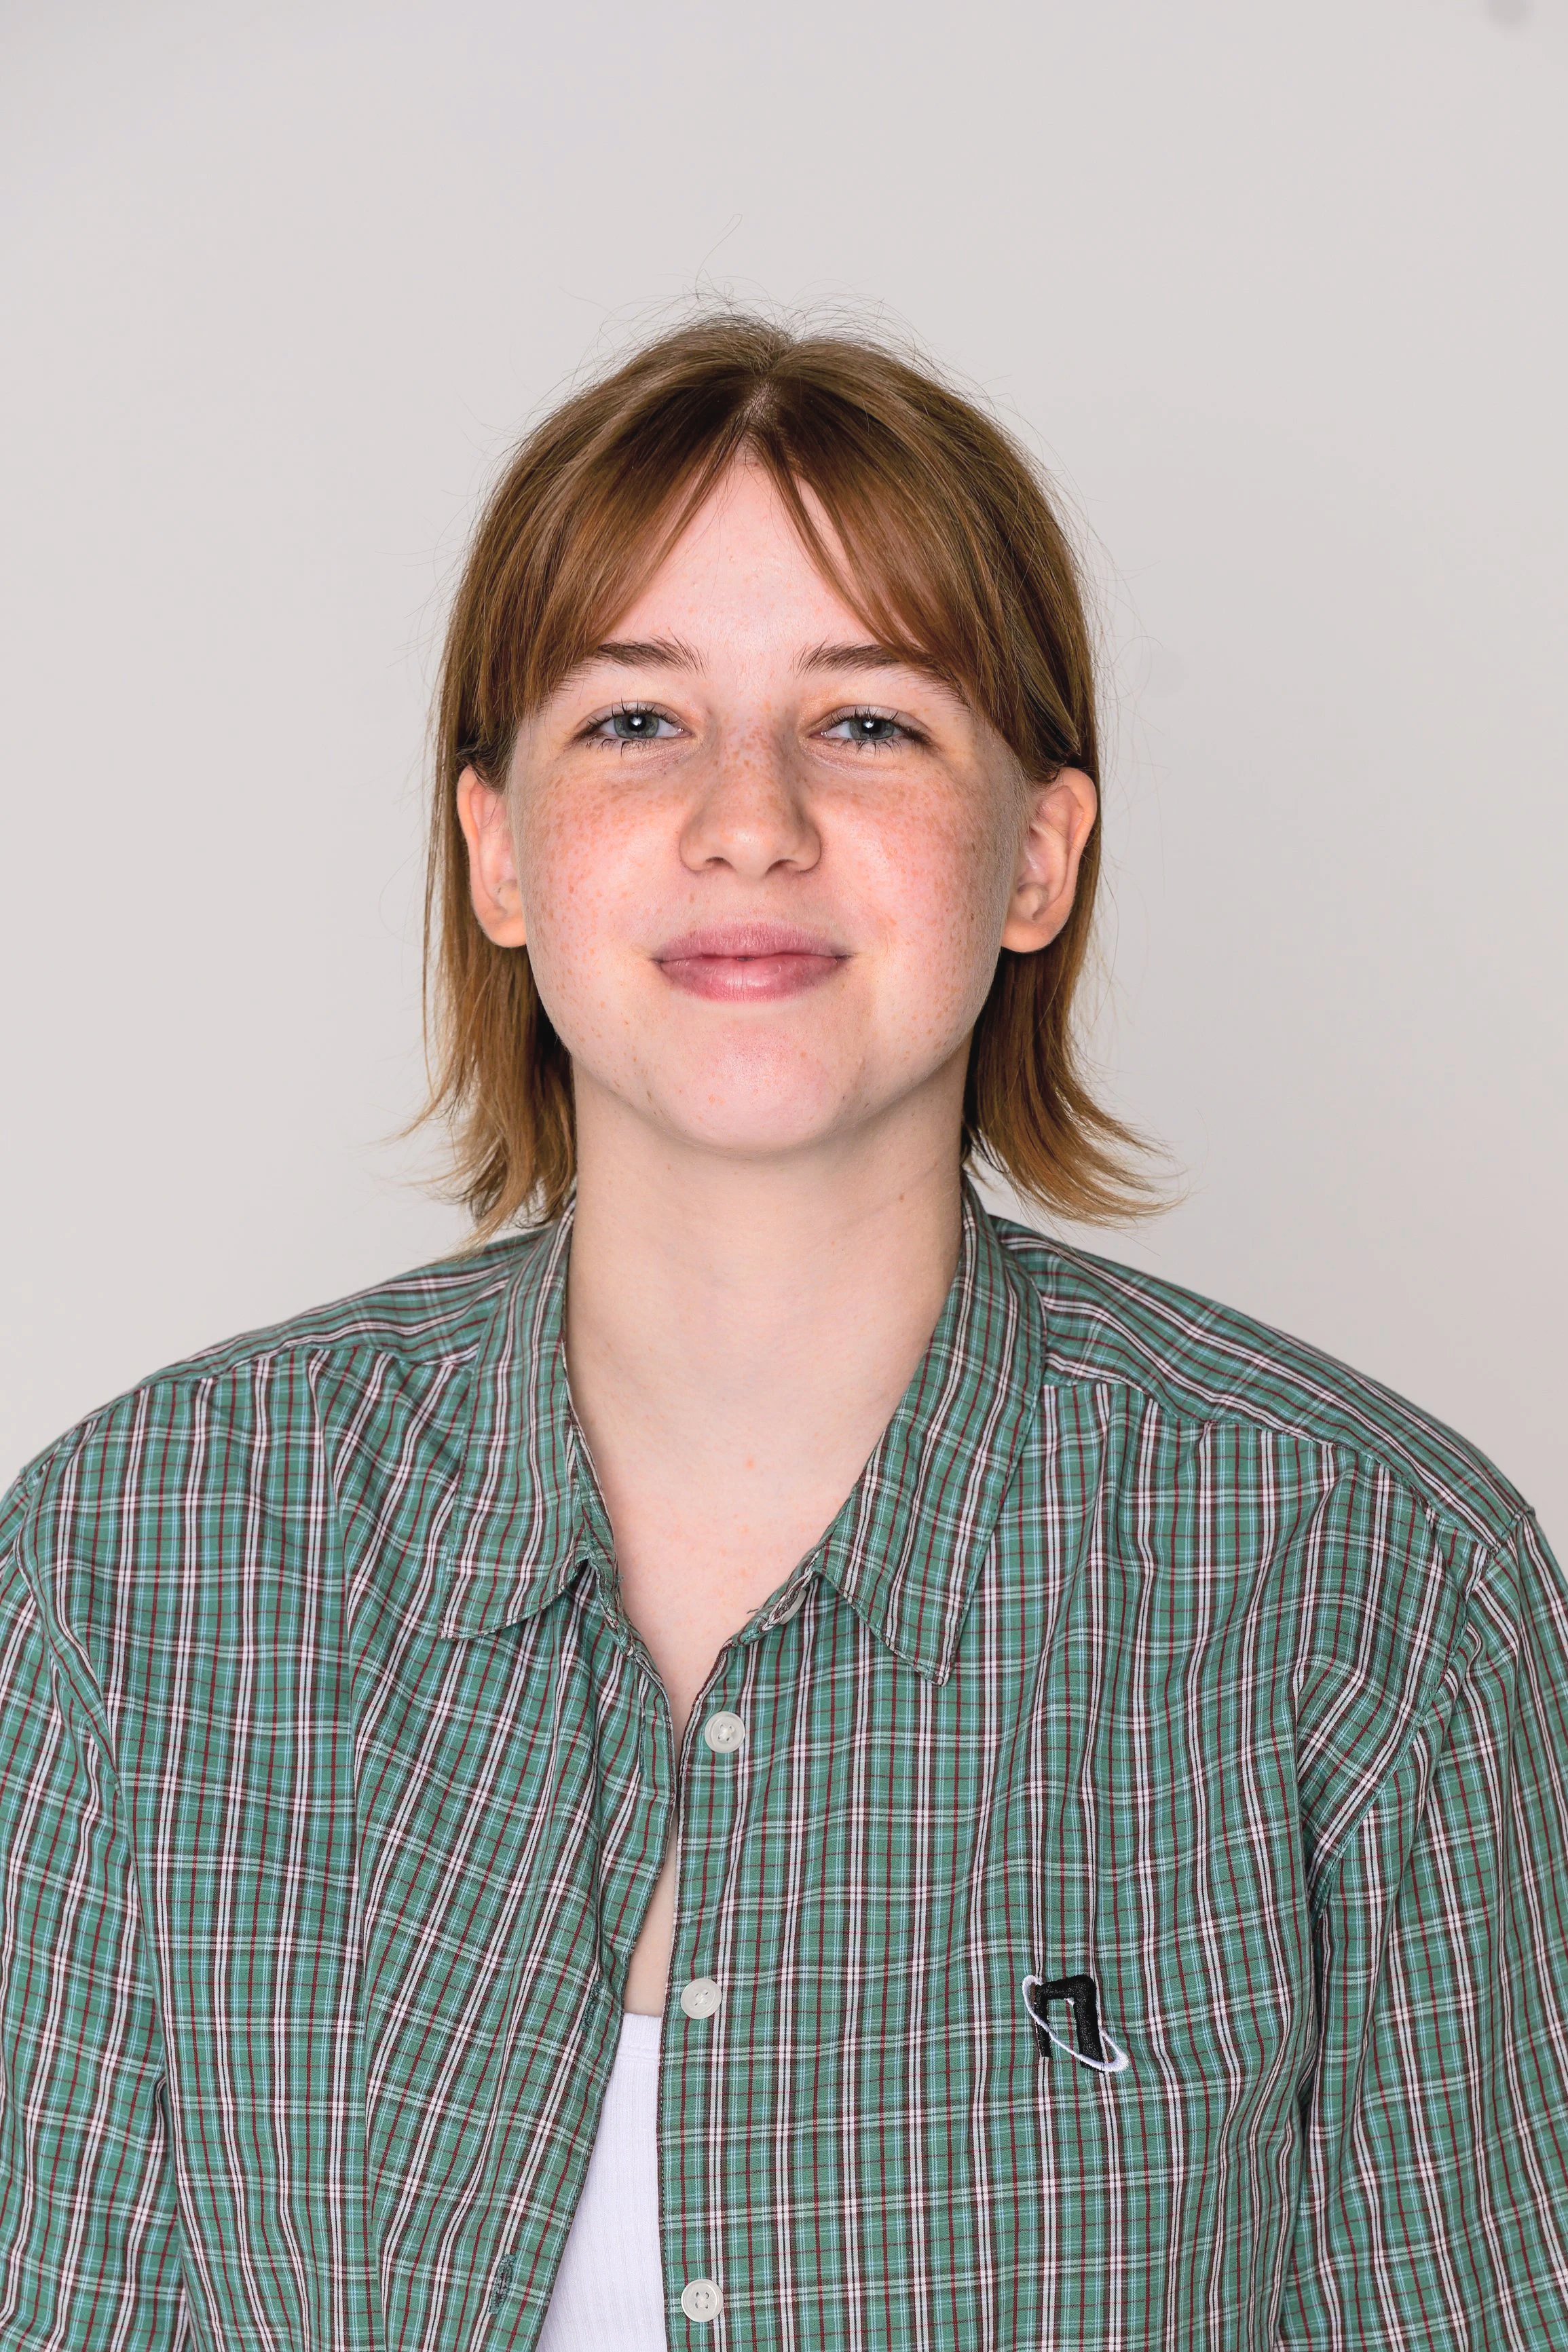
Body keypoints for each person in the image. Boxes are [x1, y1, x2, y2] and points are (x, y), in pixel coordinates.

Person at [0, 313, 1563, 2352]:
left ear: (1036, 854)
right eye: (636, 720)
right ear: (496, 851)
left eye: (869, 722)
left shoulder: (1369, 1587)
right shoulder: (139, 1563)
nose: (751, 819)